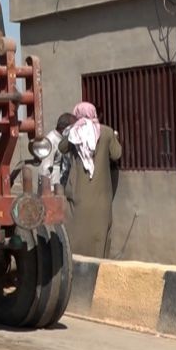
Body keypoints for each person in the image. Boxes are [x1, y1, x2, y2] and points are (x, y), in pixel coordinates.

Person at [60, 101, 122, 258]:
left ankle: (78, 264)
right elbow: (116, 154)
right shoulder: (107, 132)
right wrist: (115, 139)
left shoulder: (74, 134)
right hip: (101, 196)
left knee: (77, 232)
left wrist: (72, 132)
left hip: (78, 194)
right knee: (99, 235)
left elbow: (62, 147)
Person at [39, 113, 76, 192]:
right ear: (63, 128)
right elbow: (45, 168)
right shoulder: (51, 140)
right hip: (52, 186)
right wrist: (48, 190)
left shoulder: (62, 139)